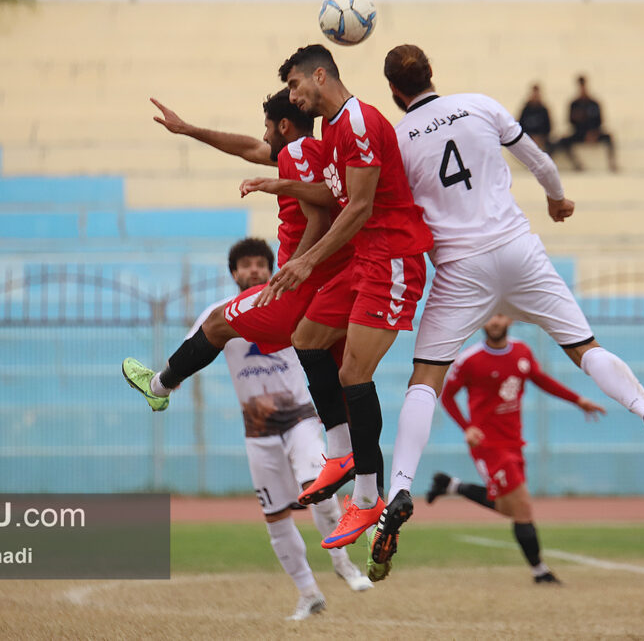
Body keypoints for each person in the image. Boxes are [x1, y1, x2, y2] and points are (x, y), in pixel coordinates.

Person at [368, 44, 644, 580]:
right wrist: (557, 198)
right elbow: (540, 161)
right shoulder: (480, 104)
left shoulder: (397, 138)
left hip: (461, 267)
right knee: (584, 349)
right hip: (519, 250)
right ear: (433, 73)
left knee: (426, 378)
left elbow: (385, 206)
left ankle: (402, 488)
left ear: (392, 91)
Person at [122, 89, 359, 509]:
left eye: (268, 128)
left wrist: (297, 266)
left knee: (216, 322)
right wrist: (187, 128)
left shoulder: (298, 152)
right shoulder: (318, 151)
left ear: (283, 127)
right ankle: (357, 475)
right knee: (345, 373)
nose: (263, 138)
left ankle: (160, 386)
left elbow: (317, 218)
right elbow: (250, 149)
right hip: (337, 286)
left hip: (298, 287)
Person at [239, 44, 434, 550]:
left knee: (352, 373)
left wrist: (305, 260)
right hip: (365, 259)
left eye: (296, 86)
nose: (294, 97)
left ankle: (367, 497)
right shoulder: (333, 130)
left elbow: (361, 206)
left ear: (319, 76)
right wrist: (280, 182)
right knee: (306, 336)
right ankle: (342, 454)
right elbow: (338, 197)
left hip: (392, 259)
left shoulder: (361, 123)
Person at [186, 238, 371, 620]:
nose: (253, 270)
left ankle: (343, 563)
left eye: (260, 264)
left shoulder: (291, 306)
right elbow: (189, 352)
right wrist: (165, 382)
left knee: (316, 488)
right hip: (257, 431)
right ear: (233, 273)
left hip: (301, 418)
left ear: (271, 269)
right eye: (245, 265)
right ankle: (308, 594)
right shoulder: (218, 315)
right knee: (275, 518)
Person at [425, 314, 606, 584]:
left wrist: (578, 400)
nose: (495, 322)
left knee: (509, 507)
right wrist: (467, 427)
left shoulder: (522, 351)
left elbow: (541, 379)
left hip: (514, 442)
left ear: (509, 319)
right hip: (487, 445)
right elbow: (447, 394)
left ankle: (451, 485)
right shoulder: (469, 360)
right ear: (482, 322)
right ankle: (540, 572)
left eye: (500, 315)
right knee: (522, 508)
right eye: (490, 317)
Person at [553, 75, 617, 172]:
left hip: (594, 133)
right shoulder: (574, 104)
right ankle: (577, 164)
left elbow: (600, 121)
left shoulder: (594, 103)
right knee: (563, 141)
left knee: (609, 137)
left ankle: (612, 163)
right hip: (580, 134)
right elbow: (570, 122)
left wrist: (593, 133)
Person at [518, 84, 553, 154]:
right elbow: (520, 126)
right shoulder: (526, 110)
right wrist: (530, 137)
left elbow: (548, 127)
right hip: (528, 138)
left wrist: (540, 137)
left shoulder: (543, 110)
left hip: (541, 139)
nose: (535, 96)